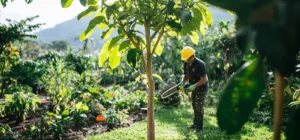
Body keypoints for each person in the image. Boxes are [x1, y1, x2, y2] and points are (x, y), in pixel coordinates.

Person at [179, 46, 209, 133]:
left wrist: (194, 86)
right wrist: (182, 83)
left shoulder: (200, 64)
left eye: (187, 58)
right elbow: (186, 75)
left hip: (202, 87)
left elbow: (204, 79)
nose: (186, 60)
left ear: (192, 56)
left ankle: (199, 127)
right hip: (194, 86)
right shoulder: (186, 64)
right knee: (194, 105)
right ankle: (195, 124)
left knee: (199, 107)